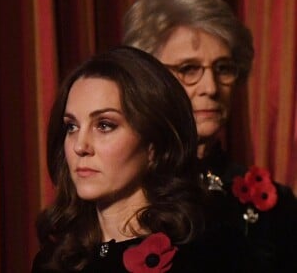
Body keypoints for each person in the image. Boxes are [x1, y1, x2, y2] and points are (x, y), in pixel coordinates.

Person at [31, 46, 255, 272]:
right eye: (72, 126)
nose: (80, 146)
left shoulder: (207, 254)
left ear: (154, 145)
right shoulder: (55, 261)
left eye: (105, 125)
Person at [122, 0, 297, 272]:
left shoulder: (276, 207)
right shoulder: (119, 190)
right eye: (189, 69)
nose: (211, 87)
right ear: (149, 79)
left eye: (223, 68)